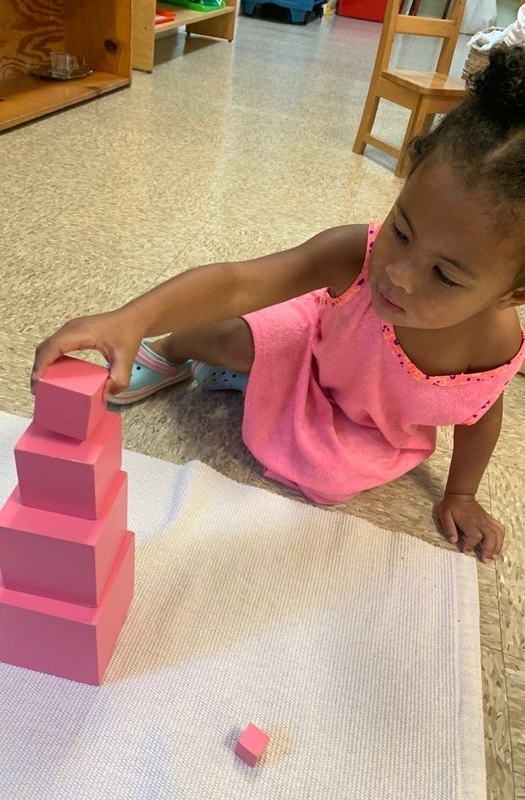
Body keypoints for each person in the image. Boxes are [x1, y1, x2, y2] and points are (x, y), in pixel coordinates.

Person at [32, 45, 525, 564]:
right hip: (314, 340)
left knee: (331, 479)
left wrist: (461, 493)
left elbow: (479, 415)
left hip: (365, 414)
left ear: (511, 293)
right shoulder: (355, 253)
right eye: (401, 231)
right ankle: (176, 349)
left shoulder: (493, 344)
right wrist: (131, 319)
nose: (397, 276)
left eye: (444, 275)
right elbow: (240, 282)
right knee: (230, 335)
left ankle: (250, 381)